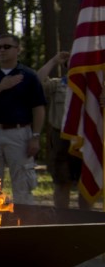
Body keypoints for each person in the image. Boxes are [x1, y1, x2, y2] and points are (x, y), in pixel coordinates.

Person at [0, 34, 47, 205]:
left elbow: (39, 108)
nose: (2, 50)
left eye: (7, 47)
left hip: (20, 133)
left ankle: (25, 225)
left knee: (22, 182)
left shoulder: (29, 76)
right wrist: (1, 86)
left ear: (17, 50)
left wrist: (35, 136)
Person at [37, 50, 87, 209]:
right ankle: (62, 221)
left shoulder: (95, 87)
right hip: (61, 138)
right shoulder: (58, 84)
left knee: (85, 185)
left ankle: (87, 222)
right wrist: (53, 61)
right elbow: (36, 82)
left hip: (86, 139)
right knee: (61, 182)